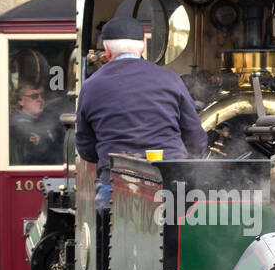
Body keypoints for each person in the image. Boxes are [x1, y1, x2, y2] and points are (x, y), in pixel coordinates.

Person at [75, 16, 208, 206]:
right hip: (170, 183)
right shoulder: (170, 79)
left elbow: (86, 148)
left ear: (106, 49)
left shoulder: (90, 86)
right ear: (143, 45)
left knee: (107, 223)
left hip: (116, 185)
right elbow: (196, 138)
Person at [9, 79, 66, 165]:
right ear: (21, 101)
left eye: (42, 96)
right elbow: (35, 154)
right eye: (34, 96)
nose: (40, 99)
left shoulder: (52, 119)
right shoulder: (15, 125)